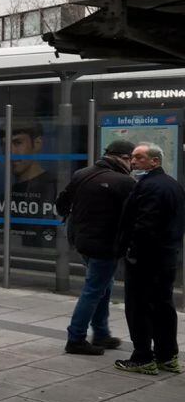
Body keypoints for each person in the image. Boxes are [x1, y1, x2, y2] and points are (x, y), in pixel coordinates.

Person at [55, 140, 136, 355]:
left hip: (82, 241)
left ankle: (101, 333)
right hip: (106, 245)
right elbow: (132, 216)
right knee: (93, 289)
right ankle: (76, 337)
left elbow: (62, 202)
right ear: (123, 158)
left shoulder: (82, 173)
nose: (133, 165)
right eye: (131, 159)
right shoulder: (124, 182)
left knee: (102, 286)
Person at [114, 143, 185, 374]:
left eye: (140, 157)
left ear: (155, 161)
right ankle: (167, 356)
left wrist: (131, 252)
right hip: (167, 256)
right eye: (133, 158)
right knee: (163, 305)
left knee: (139, 307)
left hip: (145, 259)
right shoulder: (173, 185)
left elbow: (145, 225)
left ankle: (143, 357)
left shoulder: (150, 186)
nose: (133, 161)